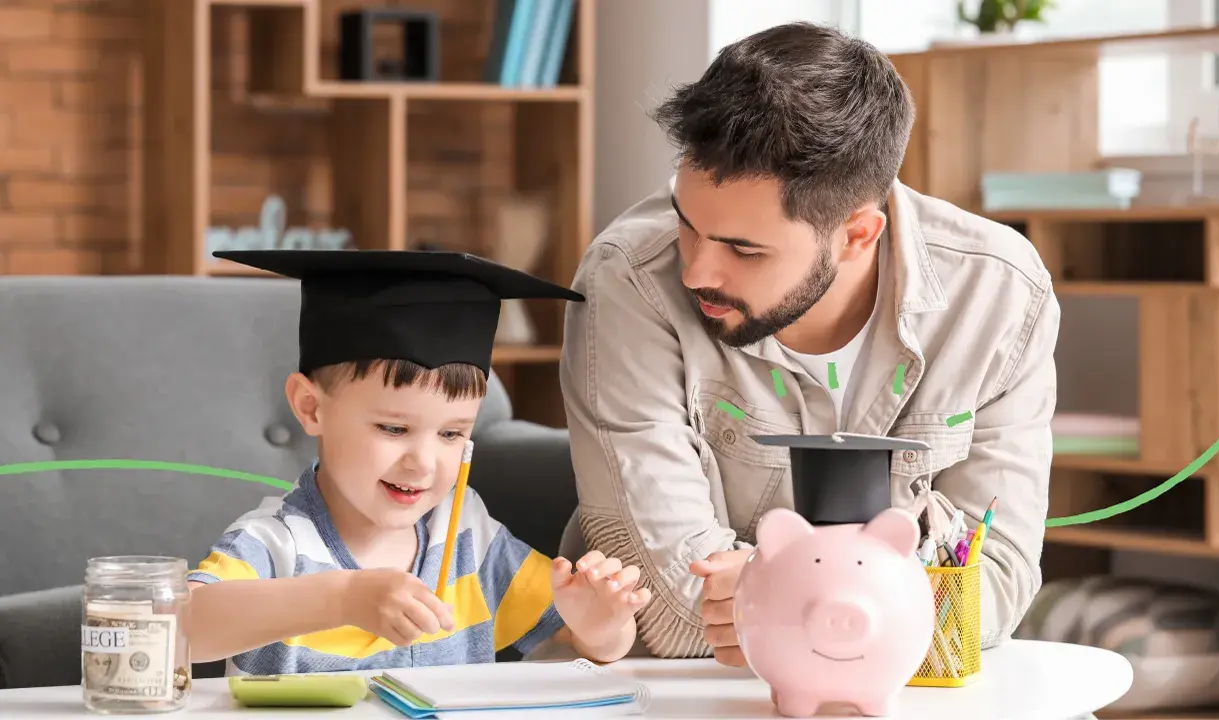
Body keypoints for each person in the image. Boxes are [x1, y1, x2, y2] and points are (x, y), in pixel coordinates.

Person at [558, 22, 1059, 665]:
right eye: (689, 226)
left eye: (744, 249)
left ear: (857, 234)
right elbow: (672, 615)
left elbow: (993, 591)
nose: (697, 272)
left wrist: (776, 603)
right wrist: (861, 612)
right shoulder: (629, 279)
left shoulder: (999, 293)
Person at [186, 249, 651, 675]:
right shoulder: (276, 542)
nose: (423, 464)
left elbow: (575, 643)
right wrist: (343, 597)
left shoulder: (467, 532)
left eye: (451, 434)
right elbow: (179, 630)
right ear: (311, 408)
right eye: (393, 429)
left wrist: (601, 626)